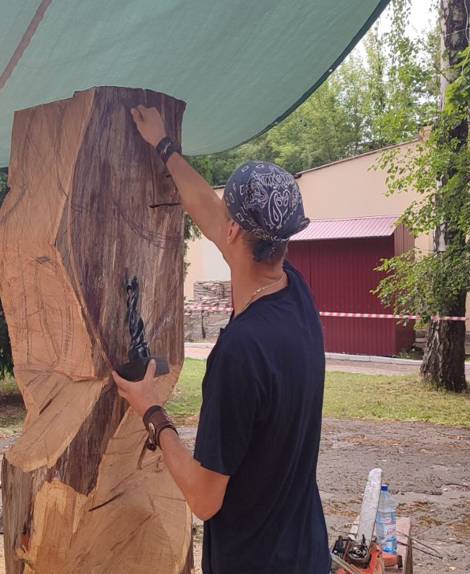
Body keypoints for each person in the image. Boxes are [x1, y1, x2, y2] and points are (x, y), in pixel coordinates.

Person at [112, 106, 330, 573]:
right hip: (305, 554)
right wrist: (164, 146)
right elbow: (206, 209)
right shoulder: (297, 295)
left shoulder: (240, 353)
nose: (219, 223)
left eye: (226, 219)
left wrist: (152, 411)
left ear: (234, 232)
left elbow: (204, 498)